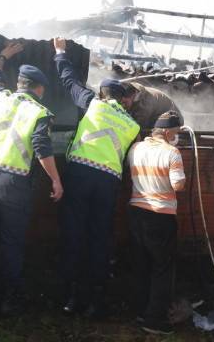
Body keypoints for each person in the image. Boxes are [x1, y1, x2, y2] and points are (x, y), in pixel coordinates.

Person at [52, 37, 141, 318]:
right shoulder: (133, 125)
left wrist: (59, 53)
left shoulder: (92, 104)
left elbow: (69, 81)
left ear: (104, 95)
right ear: (124, 101)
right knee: (99, 239)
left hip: (79, 175)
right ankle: (96, 301)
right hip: (108, 183)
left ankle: (70, 297)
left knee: (73, 234)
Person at [0, 42, 63, 316]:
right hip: (13, 184)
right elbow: (41, 147)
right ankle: (8, 299)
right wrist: (56, 181)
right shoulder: (39, 113)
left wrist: (3, 55)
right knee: (10, 241)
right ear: (39, 89)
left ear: (19, 83)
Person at [126, 111, 185, 335]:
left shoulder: (135, 148)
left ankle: (140, 311)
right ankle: (154, 320)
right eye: (176, 133)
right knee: (162, 269)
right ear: (168, 132)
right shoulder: (172, 152)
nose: (176, 136)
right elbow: (178, 185)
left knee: (141, 265)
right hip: (160, 216)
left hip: (135, 212)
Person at [119, 82, 184, 130]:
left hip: (173, 122)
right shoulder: (132, 90)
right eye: (121, 102)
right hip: (156, 117)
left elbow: (137, 128)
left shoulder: (145, 104)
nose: (122, 105)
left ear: (133, 96)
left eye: (125, 102)